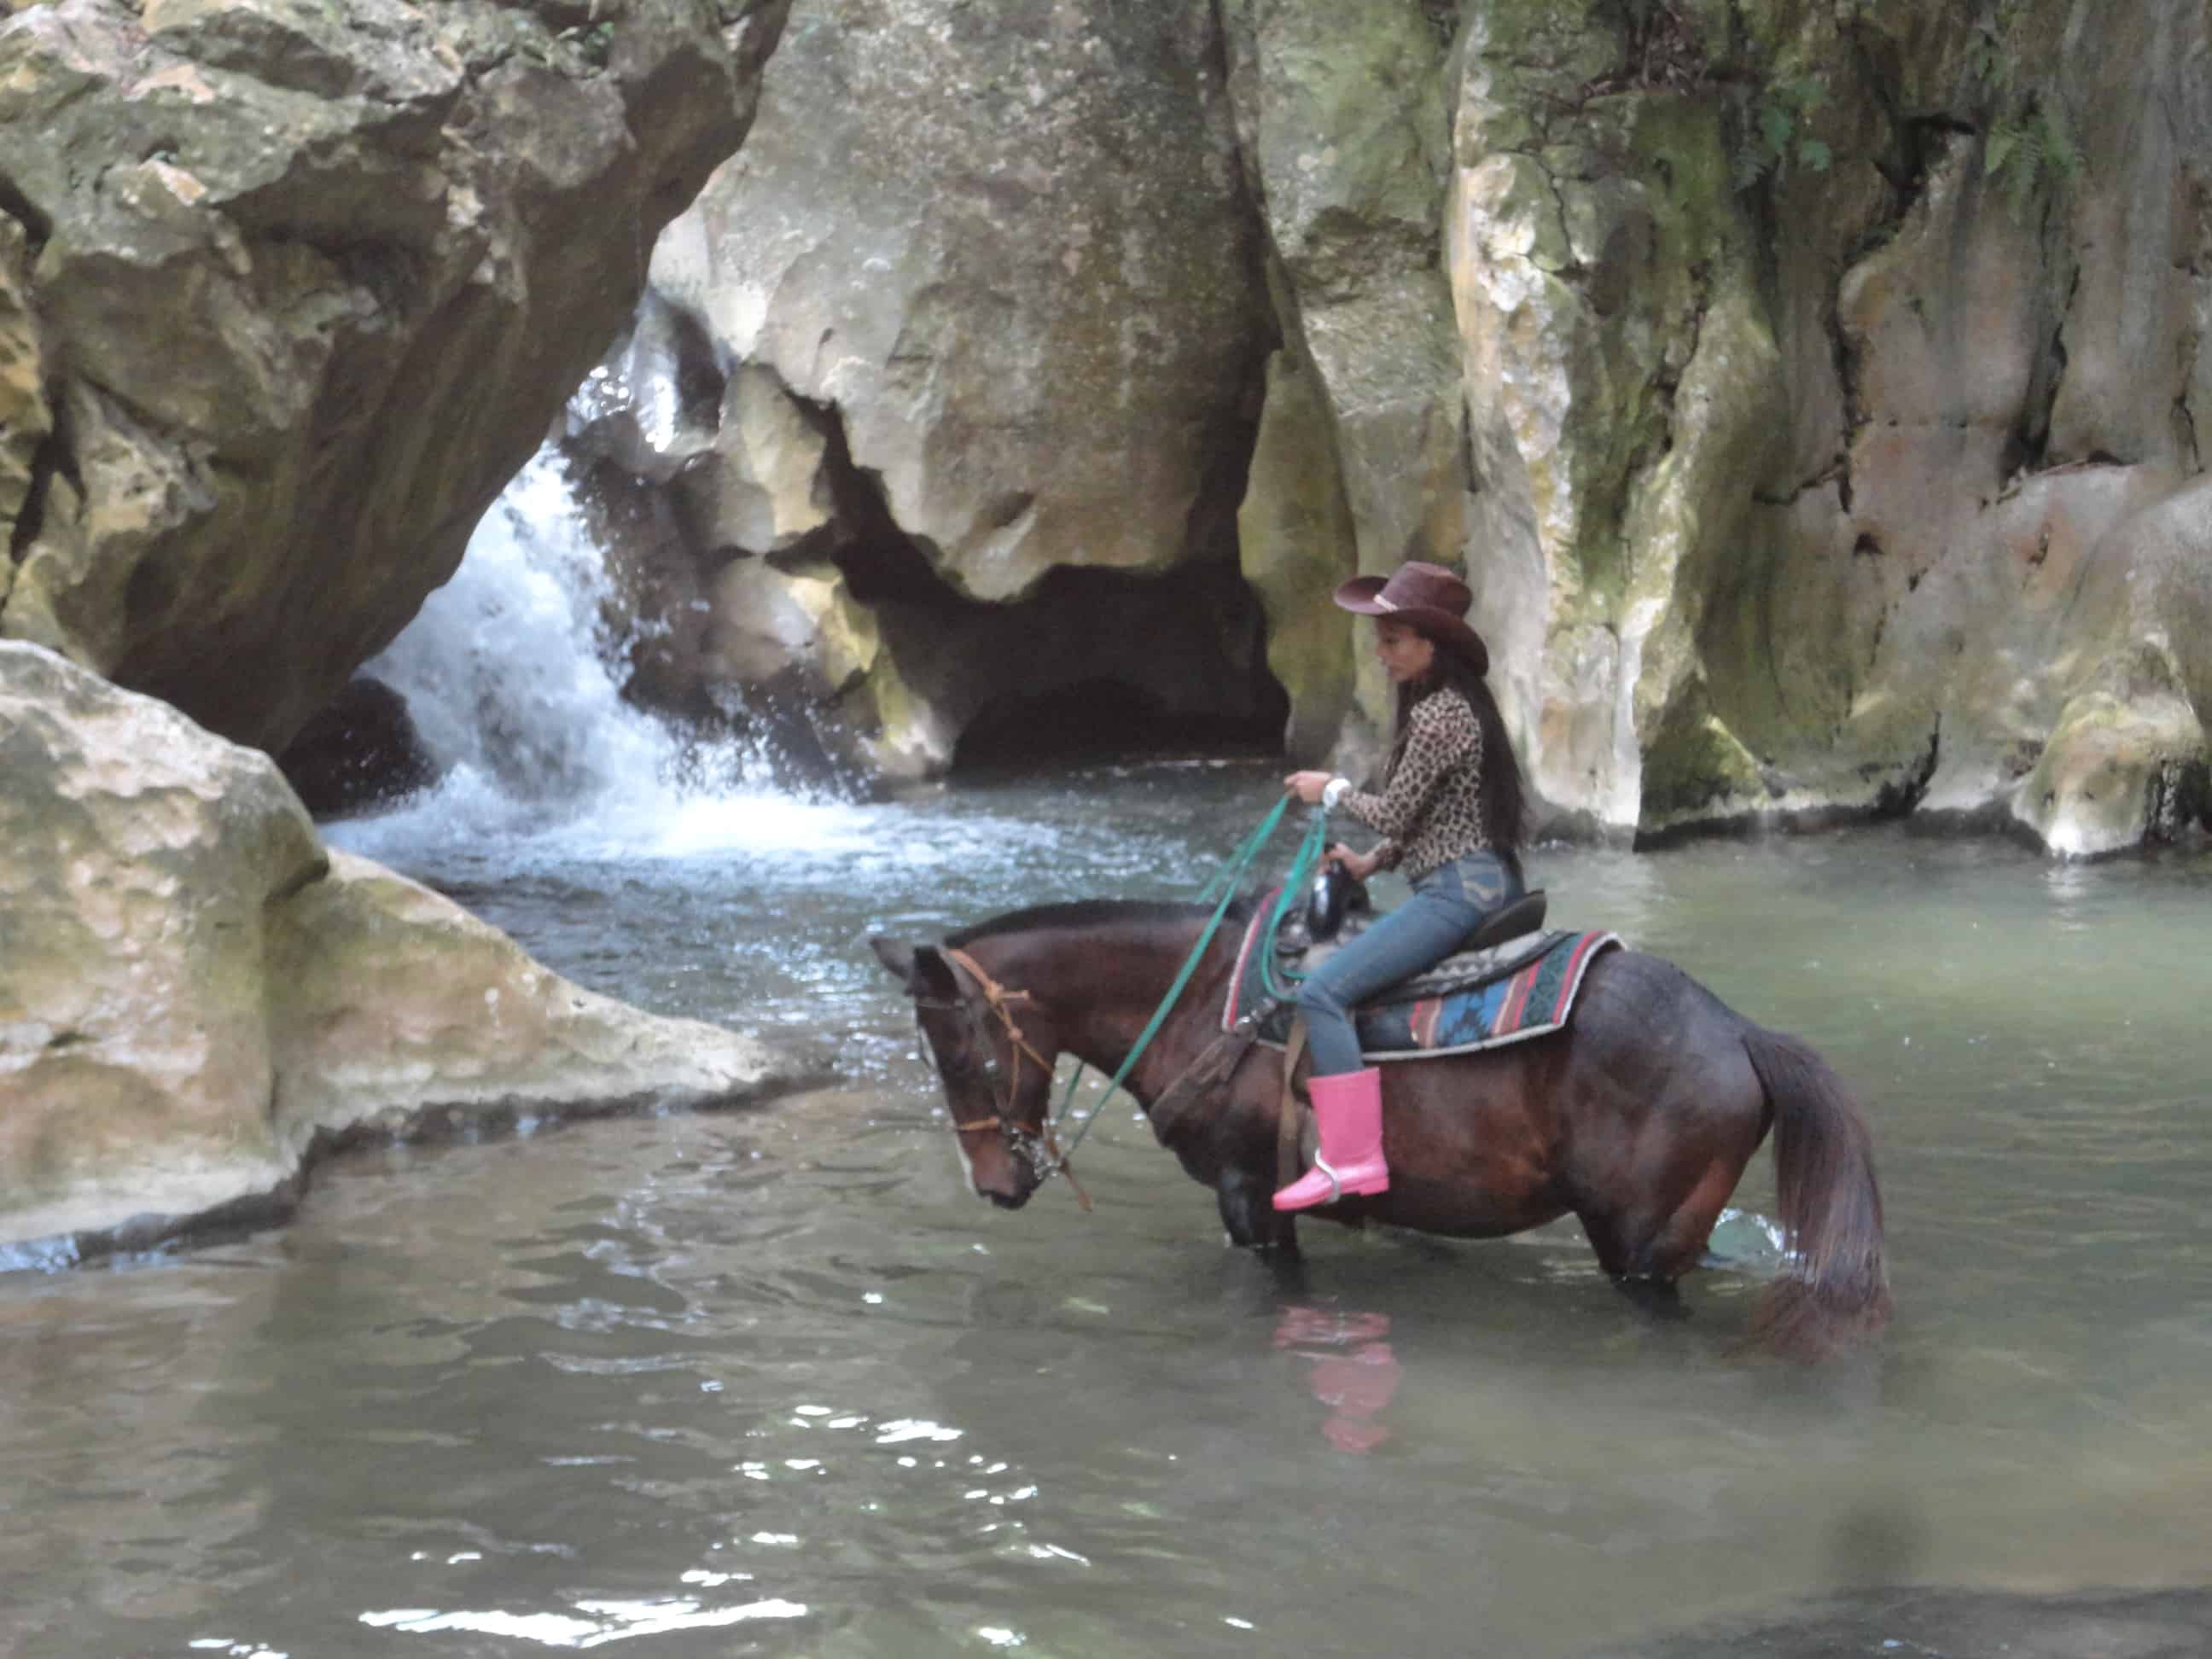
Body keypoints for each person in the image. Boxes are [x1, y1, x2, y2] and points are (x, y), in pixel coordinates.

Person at [1277, 561, 1529, 1211]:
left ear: (1430, 646)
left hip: (1458, 893)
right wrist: (1369, 865)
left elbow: (1393, 810)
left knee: (1325, 993)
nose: (1381, 653)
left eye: (1393, 640)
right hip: (1473, 879)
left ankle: (1351, 1159)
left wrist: (1327, 789)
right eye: (1380, 639)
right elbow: (1427, 821)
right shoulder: (1450, 708)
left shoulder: (1440, 718)